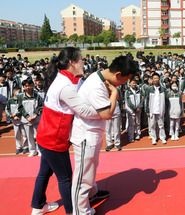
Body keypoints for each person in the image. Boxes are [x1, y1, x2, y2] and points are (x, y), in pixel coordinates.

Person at [31, 47, 100, 215]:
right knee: (66, 178)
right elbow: (84, 110)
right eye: (81, 59)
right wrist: (105, 110)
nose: (84, 62)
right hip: (53, 139)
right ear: (72, 62)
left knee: (44, 173)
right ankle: (72, 211)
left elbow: (82, 86)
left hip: (46, 136)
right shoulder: (65, 86)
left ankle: (38, 206)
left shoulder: (67, 79)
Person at [71, 56, 138, 215]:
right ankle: (80, 211)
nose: (122, 84)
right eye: (124, 80)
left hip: (93, 133)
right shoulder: (96, 86)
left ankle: (91, 194)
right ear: (118, 74)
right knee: (83, 176)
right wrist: (114, 93)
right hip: (86, 135)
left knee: (91, 169)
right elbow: (107, 113)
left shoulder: (98, 76)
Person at [18, 79, 43, 157]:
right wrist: (27, 116)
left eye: (29, 85)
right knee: (29, 136)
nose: (28, 87)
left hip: (36, 119)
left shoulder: (37, 95)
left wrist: (36, 114)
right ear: (23, 87)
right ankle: (32, 150)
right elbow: (20, 108)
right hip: (26, 120)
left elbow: (40, 106)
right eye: (26, 86)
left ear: (32, 85)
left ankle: (39, 150)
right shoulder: (21, 96)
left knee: (38, 135)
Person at [145, 73, 167, 145]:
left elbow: (166, 100)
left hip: (160, 110)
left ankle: (162, 138)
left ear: (159, 79)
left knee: (161, 125)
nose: (156, 80)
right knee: (152, 125)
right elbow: (147, 99)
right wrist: (147, 110)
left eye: (157, 78)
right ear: (152, 80)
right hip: (152, 110)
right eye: (154, 78)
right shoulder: (149, 89)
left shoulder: (163, 89)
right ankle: (154, 138)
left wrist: (165, 109)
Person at [6, 87, 26, 154]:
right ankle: (19, 147)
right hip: (15, 121)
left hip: (22, 120)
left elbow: (23, 109)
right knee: (17, 134)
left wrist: (18, 115)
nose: (20, 93)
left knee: (24, 134)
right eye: (18, 92)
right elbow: (7, 110)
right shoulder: (10, 100)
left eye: (20, 92)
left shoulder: (22, 99)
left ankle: (26, 147)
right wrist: (12, 115)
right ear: (14, 92)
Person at [125, 77, 143, 142]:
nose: (134, 84)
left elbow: (141, 99)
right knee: (131, 123)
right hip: (131, 110)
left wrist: (139, 107)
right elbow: (128, 102)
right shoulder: (127, 91)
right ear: (130, 84)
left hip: (138, 110)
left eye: (135, 83)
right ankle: (131, 136)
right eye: (133, 83)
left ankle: (138, 134)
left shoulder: (138, 90)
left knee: (138, 122)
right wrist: (134, 108)